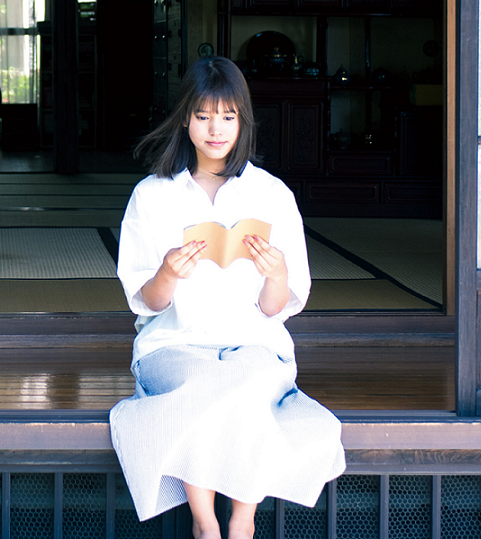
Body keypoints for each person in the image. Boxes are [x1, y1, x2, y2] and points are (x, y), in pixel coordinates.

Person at [109, 57, 345, 539]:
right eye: (203, 116)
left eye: (228, 116)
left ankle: (242, 520)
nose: (215, 129)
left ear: (243, 121)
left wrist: (276, 273)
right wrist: (167, 273)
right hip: (174, 345)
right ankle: (205, 522)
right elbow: (148, 303)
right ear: (185, 119)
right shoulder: (152, 195)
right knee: (204, 389)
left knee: (243, 385)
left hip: (254, 344)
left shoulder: (271, 194)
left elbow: (275, 308)